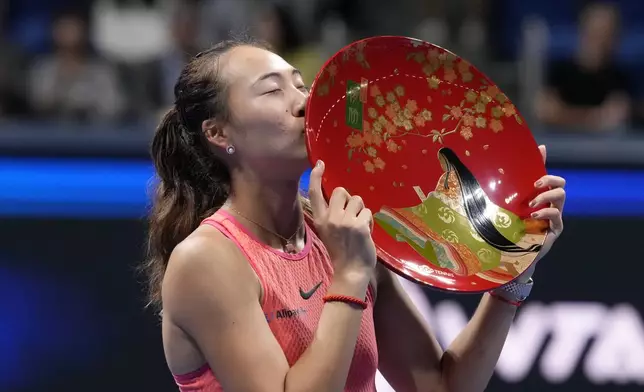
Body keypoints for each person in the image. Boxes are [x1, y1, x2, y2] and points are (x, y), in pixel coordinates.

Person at [143, 37, 567, 392]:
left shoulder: (345, 234)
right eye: (273, 91)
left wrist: (512, 276)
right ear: (219, 133)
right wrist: (348, 276)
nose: (304, 102)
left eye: (301, 85)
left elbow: (441, 386)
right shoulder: (207, 260)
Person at [535, 2, 631, 132]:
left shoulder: (620, 77)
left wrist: (565, 114)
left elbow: (617, 115)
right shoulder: (561, 72)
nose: (601, 40)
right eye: (596, 32)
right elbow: (547, 112)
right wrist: (593, 118)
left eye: (607, 33)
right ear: (584, 31)